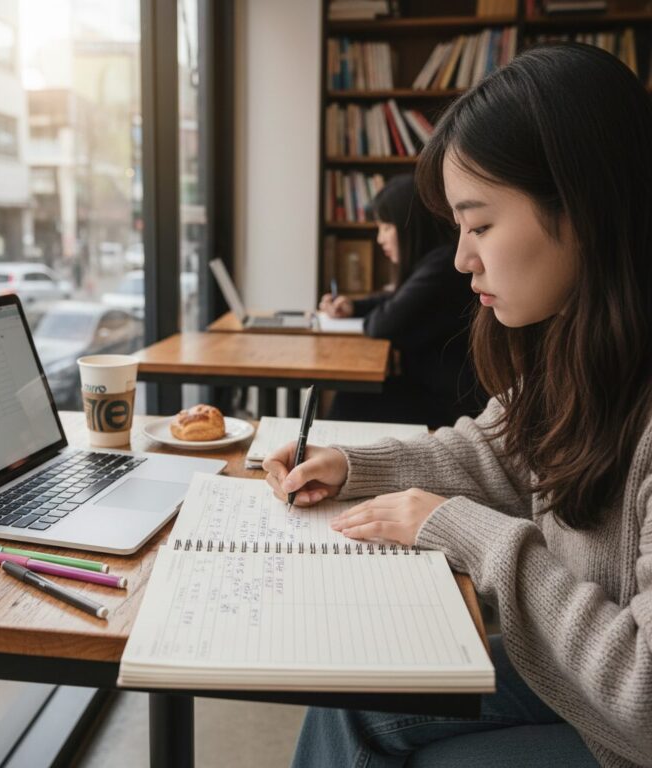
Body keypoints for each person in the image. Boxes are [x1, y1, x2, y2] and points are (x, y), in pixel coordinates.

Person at [264, 43, 652, 767]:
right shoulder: (577, 350)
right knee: (351, 690)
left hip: (627, 730)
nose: (461, 260)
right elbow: (491, 451)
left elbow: (644, 696)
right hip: (583, 687)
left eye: (480, 225)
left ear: (583, 207)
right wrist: (353, 464)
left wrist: (463, 532)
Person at [319, 175, 484, 428]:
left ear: (409, 225)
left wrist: (372, 313)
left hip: (451, 407)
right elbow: (396, 299)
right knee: (352, 397)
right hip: (436, 393)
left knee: (350, 400)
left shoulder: (443, 267)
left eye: (386, 227)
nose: (380, 239)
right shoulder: (434, 262)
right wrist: (355, 307)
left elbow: (382, 325)